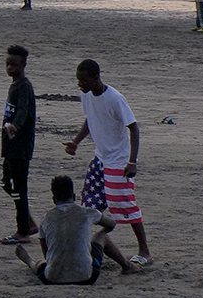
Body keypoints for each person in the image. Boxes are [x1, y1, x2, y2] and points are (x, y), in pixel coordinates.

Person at [65, 60, 152, 267]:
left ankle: (144, 250)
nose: (80, 85)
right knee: (90, 204)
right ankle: (92, 244)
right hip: (100, 158)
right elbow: (90, 119)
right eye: (78, 81)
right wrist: (76, 142)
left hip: (118, 160)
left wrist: (132, 161)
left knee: (126, 205)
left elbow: (134, 128)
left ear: (95, 78)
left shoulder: (115, 99)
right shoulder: (87, 96)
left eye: (83, 81)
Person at [14, 175, 135, 283]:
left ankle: (29, 261)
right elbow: (112, 224)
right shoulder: (86, 212)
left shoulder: (46, 219)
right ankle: (126, 265)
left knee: (41, 264)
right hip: (87, 277)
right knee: (102, 237)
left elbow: (47, 255)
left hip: (53, 277)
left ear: (54, 199)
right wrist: (98, 233)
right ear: (73, 196)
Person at [0, 44, 38, 244]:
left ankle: (22, 231)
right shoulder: (14, 85)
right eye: (7, 64)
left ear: (23, 65)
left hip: (20, 146)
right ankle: (29, 222)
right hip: (10, 146)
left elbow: (22, 111)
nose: (10, 68)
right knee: (7, 183)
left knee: (19, 188)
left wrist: (15, 126)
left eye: (14, 65)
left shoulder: (24, 87)